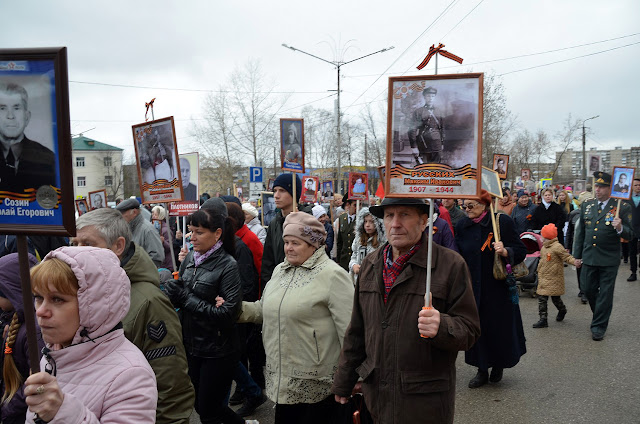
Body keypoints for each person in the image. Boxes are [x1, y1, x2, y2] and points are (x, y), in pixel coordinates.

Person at [332, 197, 480, 423]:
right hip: (377, 398)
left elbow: (469, 330)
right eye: (390, 215)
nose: (395, 223)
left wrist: (442, 325)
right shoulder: (371, 265)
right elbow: (357, 331)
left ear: (423, 222)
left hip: (423, 402)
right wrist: (344, 380)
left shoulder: (450, 265)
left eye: (405, 215)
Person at [73, 208, 195, 424]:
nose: (78, 252)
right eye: (75, 244)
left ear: (118, 246)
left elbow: (171, 384)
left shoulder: (150, 301)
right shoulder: (80, 292)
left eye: (88, 244)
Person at [238, 212, 353, 423]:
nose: (288, 248)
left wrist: (353, 378)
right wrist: (234, 310)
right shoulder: (281, 271)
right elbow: (265, 309)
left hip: (318, 384)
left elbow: (350, 332)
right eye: (286, 242)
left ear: (313, 245)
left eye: (296, 243)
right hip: (283, 379)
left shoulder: (333, 275)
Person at [24, 247, 157, 423]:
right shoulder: (55, 352)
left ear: (94, 306)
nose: (41, 311)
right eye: (39, 297)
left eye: (57, 299)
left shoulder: (131, 374)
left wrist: (63, 413)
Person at [164, 207, 258, 424]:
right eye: (191, 231)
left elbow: (227, 313)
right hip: (192, 345)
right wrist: (172, 290)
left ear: (217, 234)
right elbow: (185, 290)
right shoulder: (191, 259)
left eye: (199, 232)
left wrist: (186, 298)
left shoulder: (228, 265)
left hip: (218, 349)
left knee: (208, 411)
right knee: (202, 404)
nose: (192, 238)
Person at [455, 190, 527, 389]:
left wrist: (506, 251)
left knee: (497, 329)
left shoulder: (501, 222)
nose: (466, 210)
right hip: (472, 287)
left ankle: (498, 365)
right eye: (464, 205)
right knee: (477, 329)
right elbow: (457, 254)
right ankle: (481, 369)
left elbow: (521, 250)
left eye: (471, 206)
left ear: (484, 205)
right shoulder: (462, 225)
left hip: (497, 287)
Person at [573, 171, 634, 341]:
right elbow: (581, 233)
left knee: (605, 293)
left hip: (609, 259)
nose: (597, 189)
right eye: (596, 186)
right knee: (588, 289)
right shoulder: (588, 205)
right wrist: (576, 256)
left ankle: (598, 326)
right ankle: (600, 313)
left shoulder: (622, 206)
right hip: (589, 256)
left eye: (601, 187)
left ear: (610, 188)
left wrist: (620, 228)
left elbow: (631, 235)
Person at [0, 253, 44, 424]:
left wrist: (5, 412)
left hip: (20, 414)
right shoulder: (14, 320)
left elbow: (36, 383)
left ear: (14, 291)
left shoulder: (35, 332)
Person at [0, 82, 56, 194]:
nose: (10, 116)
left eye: (16, 108)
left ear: (27, 116)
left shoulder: (49, 160)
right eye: (2, 108)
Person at [261, 173, 308, 285]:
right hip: (277, 286)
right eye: (275, 191)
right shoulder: (274, 223)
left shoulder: (307, 221)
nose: (276, 196)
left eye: (282, 190)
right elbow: (268, 261)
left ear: (294, 194)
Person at [532, 223, 580, 328]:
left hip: (554, 278)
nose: (540, 237)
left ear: (546, 237)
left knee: (555, 298)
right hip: (543, 277)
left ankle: (562, 310)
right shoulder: (544, 247)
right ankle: (543, 319)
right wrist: (537, 269)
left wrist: (574, 262)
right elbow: (542, 261)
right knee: (542, 298)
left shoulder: (557, 247)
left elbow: (566, 257)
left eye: (542, 236)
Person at [116, 198, 165, 267]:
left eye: (123, 214)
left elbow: (157, 257)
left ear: (134, 212)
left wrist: (137, 270)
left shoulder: (148, 229)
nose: (121, 218)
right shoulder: (128, 228)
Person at [407, 86, 445, 164]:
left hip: (437, 145)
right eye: (428, 96)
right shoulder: (418, 112)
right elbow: (412, 130)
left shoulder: (439, 111)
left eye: (432, 96)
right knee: (423, 170)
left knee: (436, 169)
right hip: (424, 145)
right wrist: (414, 146)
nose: (430, 98)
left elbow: (442, 128)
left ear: (435, 97)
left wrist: (442, 143)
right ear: (424, 97)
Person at [348, 206, 386, 280]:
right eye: (365, 221)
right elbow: (354, 256)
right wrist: (354, 265)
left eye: (371, 222)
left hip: (373, 280)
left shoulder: (382, 242)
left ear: (378, 224)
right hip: (358, 279)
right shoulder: (358, 239)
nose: (367, 225)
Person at [336, 195, 357, 271]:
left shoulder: (360, 219)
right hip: (344, 259)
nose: (358, 207)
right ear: (348, 205)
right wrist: (338, 260)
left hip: (355, 260)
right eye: (355, 205)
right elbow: (340, 241)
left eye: (360, 204)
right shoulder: (342, 218)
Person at [152, 205, 175, 270]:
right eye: (152, 214)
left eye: (155, 214)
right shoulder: (153, 228)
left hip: (166, 265)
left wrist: (163, 242)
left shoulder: (166, 230)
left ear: (161, 216)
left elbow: (170, 247)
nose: (153, 216)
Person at [627, 178, 640, 282]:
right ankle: (633, 272)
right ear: (632, 186)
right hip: (632, 229)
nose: (638, 187)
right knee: (632, 251)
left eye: (639, 185)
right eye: (635, 185)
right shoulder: (627, 199)